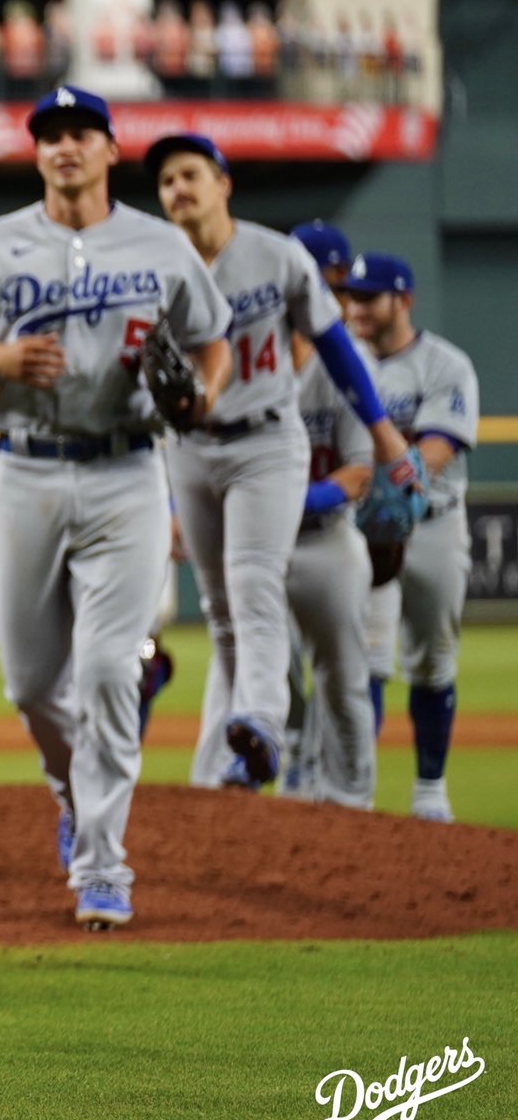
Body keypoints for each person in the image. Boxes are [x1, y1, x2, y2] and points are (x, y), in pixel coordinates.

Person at [0, 88, 231, 931]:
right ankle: (76, 793)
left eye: (80, 134)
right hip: (27, 468)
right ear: (36, 154)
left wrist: (203, 400)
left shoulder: (159, 243)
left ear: (111, 150)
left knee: (111, 670)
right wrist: (2, 354)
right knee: (32, 683)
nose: (63, 147)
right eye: (48, 136)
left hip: (127, 470)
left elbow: (212, 341)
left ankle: (104, 863)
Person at [146, 132, 410, 788]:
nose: (179, 189)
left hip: (266, 440)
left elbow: (337, 346)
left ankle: (261, 721)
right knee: (220, 611)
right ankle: (231, 767)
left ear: (223, 183)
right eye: (167, 181)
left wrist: (384, 433)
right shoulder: (152, 265)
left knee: (253, 579)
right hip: (191, 445)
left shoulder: (275, 254)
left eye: (190, 175)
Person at [344, 254, 478, 822]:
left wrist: (382, 480)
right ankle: (359, 794)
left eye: (370, 298)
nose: (357, 308)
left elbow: (435, 454)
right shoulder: (341, 360)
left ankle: (430, 791)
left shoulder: (445, 363)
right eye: (351, 296)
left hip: (434, 525)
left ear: (404, 300)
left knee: (432, 660)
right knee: (366, 660)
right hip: (363, 532)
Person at [280, 316, 378, 808]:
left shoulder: (339, 369)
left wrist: (283, 500)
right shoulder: (244, 371)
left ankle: (351, 798)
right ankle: (295, 757)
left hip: (329, 538)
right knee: (266, 666)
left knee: (342, 679)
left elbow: (358, 473)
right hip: (264, 544)